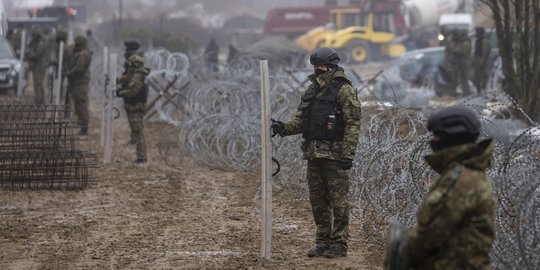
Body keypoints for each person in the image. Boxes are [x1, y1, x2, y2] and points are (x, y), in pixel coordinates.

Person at [272, 47, 361, 258]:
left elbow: (352, 124)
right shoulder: (311, 90)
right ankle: (322, 241)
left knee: (338, 203)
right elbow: (301, 122)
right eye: (315, 66)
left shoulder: (343, 89)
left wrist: (348, 154)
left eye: (321, 66)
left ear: (331, 67)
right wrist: (283, 128)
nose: (318, 70)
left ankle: (339, 244)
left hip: (335, 156)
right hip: (314, 155)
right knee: (318, 203)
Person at [398, 106, 496, 269]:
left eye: (436, 135)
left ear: (449, 138)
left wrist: (403, 249)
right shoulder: (469, 173)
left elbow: (430, 236)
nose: (432, 141)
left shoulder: (461, 181)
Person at [117, 54, 150, 164]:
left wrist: (120, 93)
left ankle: (142, 158)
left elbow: (132, 92)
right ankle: (141, 157)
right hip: (134, 106)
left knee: (138, 132)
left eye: (130, 64)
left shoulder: (138, 76)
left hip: (136, 106)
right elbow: (126, 79)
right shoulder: (136, 74)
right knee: (137, 131)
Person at [64, 35, 92, 135]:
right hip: (76, 82)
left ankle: (84, 127)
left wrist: (69, 73)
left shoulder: (83, 54)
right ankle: (82, 123)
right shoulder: (77, 53)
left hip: (81, 83)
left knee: (81, 105)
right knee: (77, 105)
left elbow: (79, 68)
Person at [118, 40, 143, 144]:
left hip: (135, 93)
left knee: (135, 118)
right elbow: (128, 74)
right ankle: (135, 137)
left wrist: (121, 92)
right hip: (130, 90)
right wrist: (120, 80)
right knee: (132, 117)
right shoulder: (133, 60)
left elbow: (133, 78)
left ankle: (137, 139)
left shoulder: (136, 60)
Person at [439, 29, 472, 96]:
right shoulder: (452, 41)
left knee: (464, 78)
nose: (453, 36)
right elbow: (447, 51)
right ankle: (453, 92)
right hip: (454, 63)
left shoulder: (464, 41)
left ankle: (466, 93)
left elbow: (462, 51)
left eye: (455, 34)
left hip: (463, 63)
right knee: (453, 78)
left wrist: (454, 50)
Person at [26, 28, 48, 104]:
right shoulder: (36, 43)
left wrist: (29, 56)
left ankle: (39, 101)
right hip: (37, 66)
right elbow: (29, 47)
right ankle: (40, 100)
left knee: (38, 84)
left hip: (40, 67)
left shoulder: (41, 44)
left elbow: (37, 55)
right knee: (37, 84)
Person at [472, 27, 492, 93]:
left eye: (477, 32)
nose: (476, 34)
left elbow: (485, 53)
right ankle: (479, 90)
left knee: (484, 75)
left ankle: (484, 89)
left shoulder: (484, 40)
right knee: (477, 76)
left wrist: (482, 62)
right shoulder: (479, 40)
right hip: (478, 60)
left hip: (482, 61)